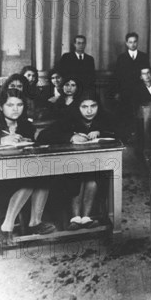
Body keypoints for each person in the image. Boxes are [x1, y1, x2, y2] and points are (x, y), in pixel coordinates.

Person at [0, 89, 55, 247]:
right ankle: (6, 227)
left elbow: (30, 146)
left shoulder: (26, 125)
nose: (15, 108)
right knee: (29, 180)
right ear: (1, 107)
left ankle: (35, 221)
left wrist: (27, 143)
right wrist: (1, 140)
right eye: (10, 105)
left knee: (43, 175)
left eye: (20, 104)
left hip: (20, 169)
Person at [38, 91, 115, 230]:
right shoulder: (69, 119)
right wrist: (70, 137)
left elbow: (121, 132)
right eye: (84, 107)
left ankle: (86, 217)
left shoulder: (105, 118)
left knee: (91, 179)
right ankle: (75, 218)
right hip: (72, 168)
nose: (89, 110)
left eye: (93, 106)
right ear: (77, 107)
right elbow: (43, 136)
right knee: (78, 178)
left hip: (98, 168)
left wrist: (100, 132)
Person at [113, 32, 150, 119]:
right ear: (126, 43)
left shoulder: (144, 56)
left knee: (139, 114)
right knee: (126, 114)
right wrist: (117, 92)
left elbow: (147, 74)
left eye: (135, 42)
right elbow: (117, 76)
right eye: (130, 42)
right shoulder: (121, 57)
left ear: (137, 42)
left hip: (140, 90)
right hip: (125, 91)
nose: (133, 44)